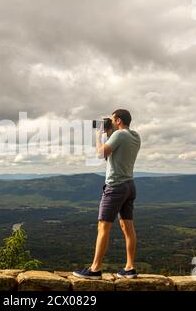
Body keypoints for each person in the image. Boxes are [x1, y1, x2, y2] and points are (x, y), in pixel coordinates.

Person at [73, 109, 141, 279]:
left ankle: (95, 269)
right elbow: (112, 156)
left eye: (112, 120)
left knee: (103, 226)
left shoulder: (119, 136)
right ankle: (129, 267)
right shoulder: (135, 136)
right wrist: (109, 133)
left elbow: (100, 153)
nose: (109, 122)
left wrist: (98, 136)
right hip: (129, 185)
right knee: (128, 228)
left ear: (118, 120)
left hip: (115, 186)